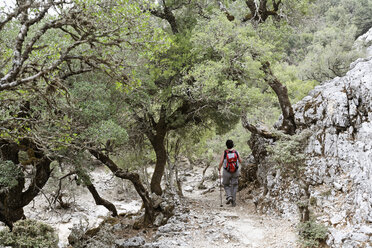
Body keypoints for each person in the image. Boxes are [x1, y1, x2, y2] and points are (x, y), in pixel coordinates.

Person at [218, 139, 242, 207]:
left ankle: (229, 196)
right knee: (234, 186)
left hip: (226, 171)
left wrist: (219, 168)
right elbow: (240, 161)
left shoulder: (225, 152)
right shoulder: (236, 152)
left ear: (226, 145)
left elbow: (221, 162)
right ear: (233, 145)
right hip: (235, 171)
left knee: (226, 184)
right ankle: (233, 202)